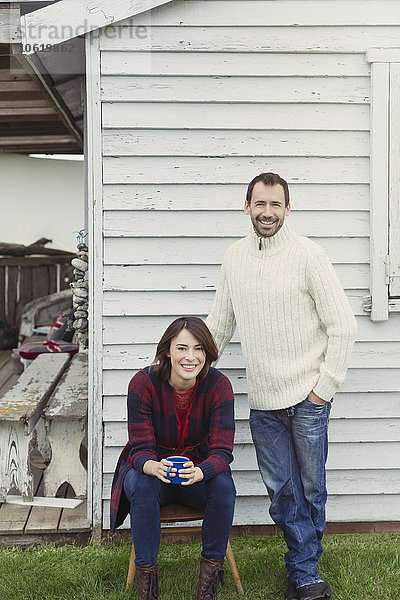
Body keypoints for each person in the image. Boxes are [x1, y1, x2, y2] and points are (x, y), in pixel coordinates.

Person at [206, 172, 357, 600]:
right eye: (260, 204)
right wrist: (185, 362)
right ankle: (305, 575)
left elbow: (343, 328)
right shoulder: (234, 258)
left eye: (275, 204)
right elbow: (219, 326)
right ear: (247, 207)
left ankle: (302, 572)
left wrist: (322, 390)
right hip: (264, 402)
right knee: (281, 494)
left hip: (309, 399)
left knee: (311, 491)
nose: (267, 212)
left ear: (287, 208)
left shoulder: (309, 255)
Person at [110, 316, 236, 600]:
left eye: (199, 348)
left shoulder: (219, 385)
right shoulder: (143, 383)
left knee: (224, 486)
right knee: (142, 485)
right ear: (167, 350)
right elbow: (139, 448)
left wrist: (200, 471)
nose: (190, 357)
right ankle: (148, 591)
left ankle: (207, 589)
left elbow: (222, 451)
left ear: (208, 353)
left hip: (196, 471)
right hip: (153, 470)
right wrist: (154, 467)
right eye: (182, 348)